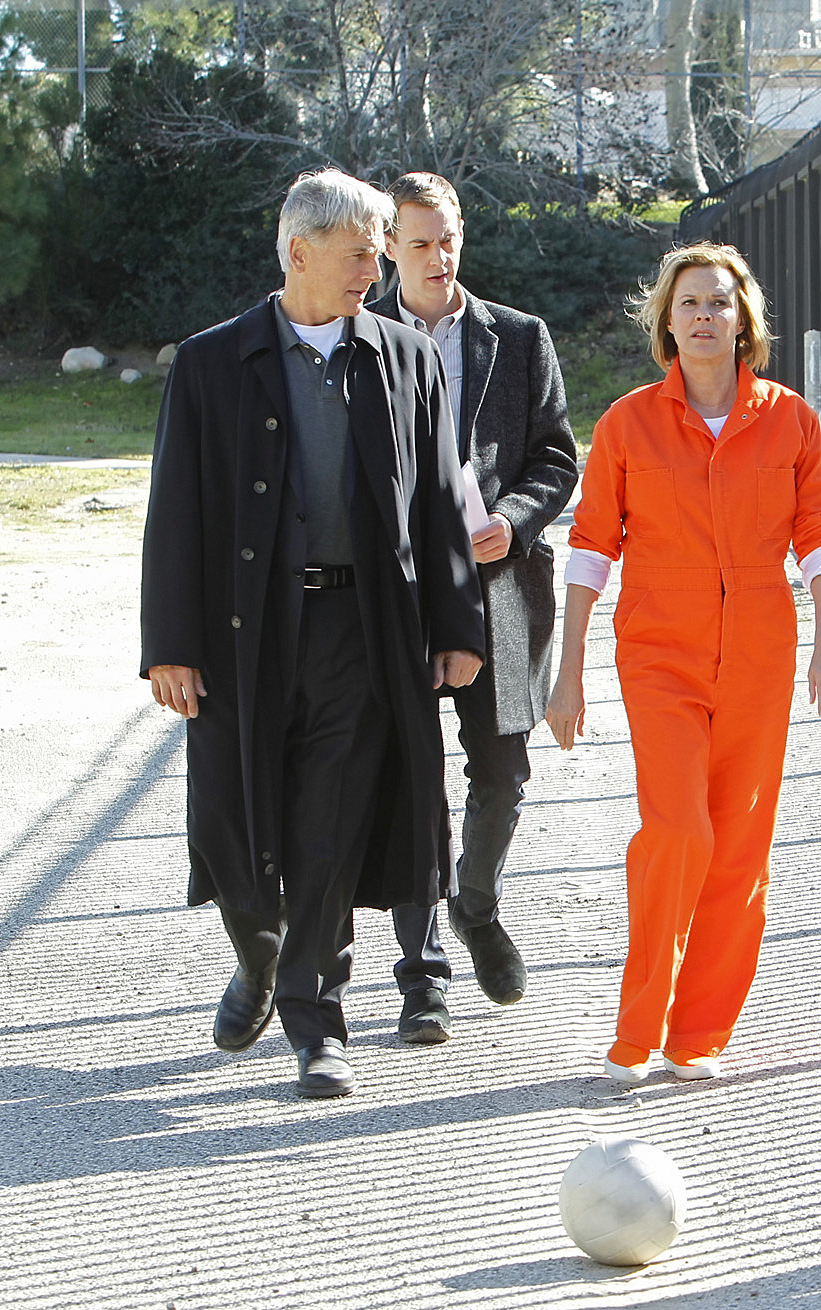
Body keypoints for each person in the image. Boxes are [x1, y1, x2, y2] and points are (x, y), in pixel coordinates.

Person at [140, 168, 486, 1099]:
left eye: (378, 254)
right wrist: (169, 644)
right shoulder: (214, 363)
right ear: (299, 253)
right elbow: (174, 509)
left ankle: (316, 1022)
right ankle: (259, 956)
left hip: (363, 628)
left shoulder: (404, 357)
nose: (372, 271)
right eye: (358, 254)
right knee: (235, 830)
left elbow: (442, 509)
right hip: (242, 637)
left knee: (329, 829)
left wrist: (457, 622)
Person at [544, 242, 821, 1084]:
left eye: (719, 302)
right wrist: (566, 670)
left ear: (744, 318)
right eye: (689, 305)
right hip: (660, 652)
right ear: (666, 322)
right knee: (678, 830)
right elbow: (591, 547)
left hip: (758, 650)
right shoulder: (628, 423)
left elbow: (819, 528)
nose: (705, 317)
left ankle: (698, 1035)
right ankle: (638, 1028)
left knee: (739, 849)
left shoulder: (789, 420)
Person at [370, 171, 579, 1043]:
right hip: (398, 596)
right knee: (408, 784)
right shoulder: (359, 338)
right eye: (418, 242)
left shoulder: (518, 338)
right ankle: (422, 977)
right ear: (388, 248)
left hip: (499, 587)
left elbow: (557, 457)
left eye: (448, 238)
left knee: (501, 775)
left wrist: (514, 520)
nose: (437, 256)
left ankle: (477, 906)